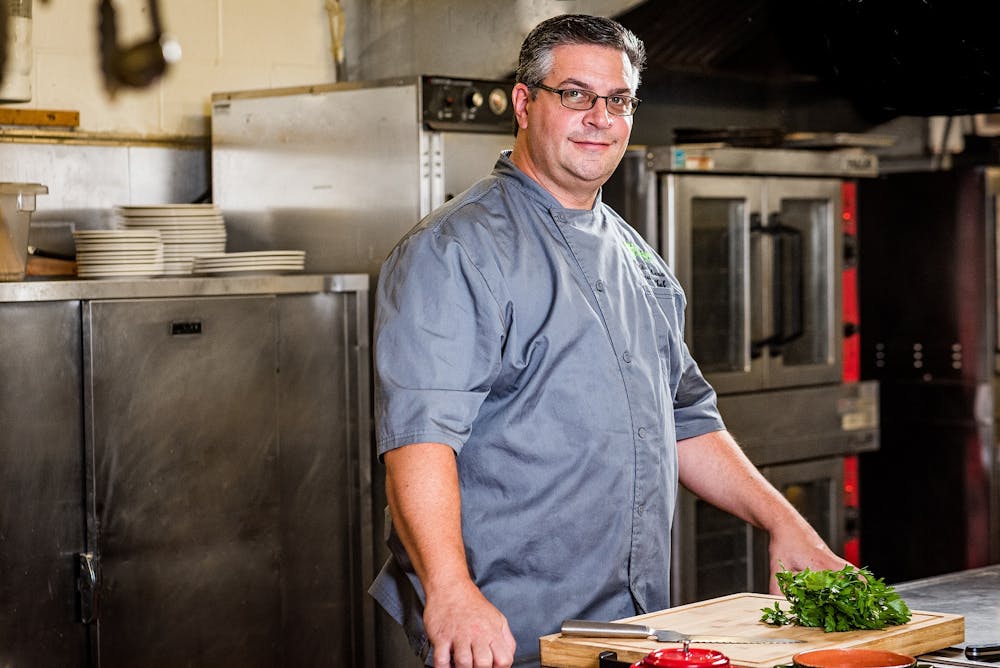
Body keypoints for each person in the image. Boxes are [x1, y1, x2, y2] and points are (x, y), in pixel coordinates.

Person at [369, 13, 850, 668]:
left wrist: (782, 521)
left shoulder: (636, 256)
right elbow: (419, 443)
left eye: (618, 100)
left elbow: (687, 419)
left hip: (632, 632)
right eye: (575, 94)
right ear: (523, 102)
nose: (600, 116)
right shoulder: (453, 252)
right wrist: (451, 589)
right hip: (500, 638)